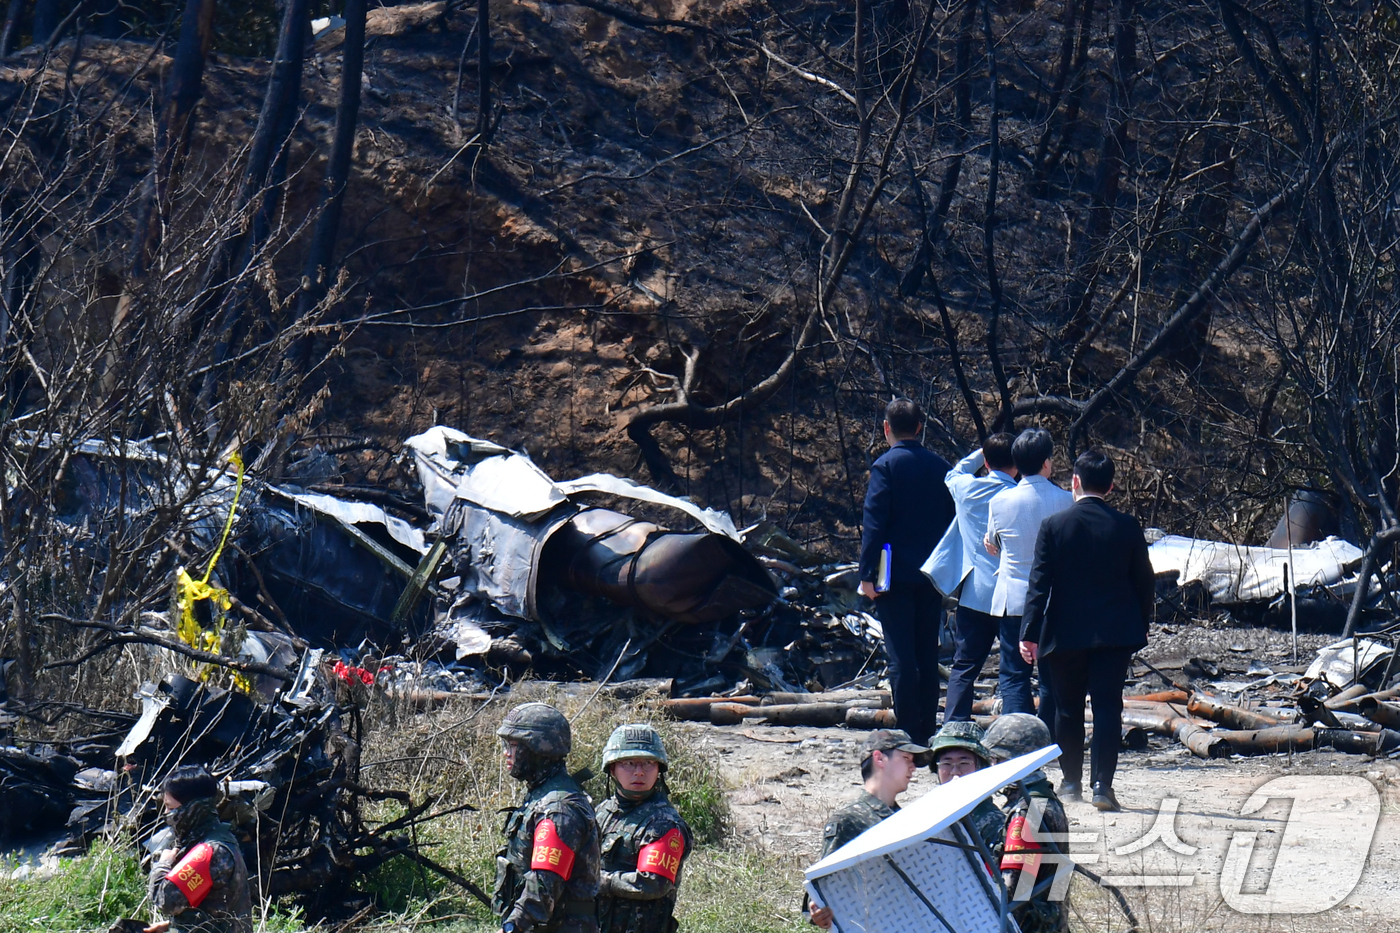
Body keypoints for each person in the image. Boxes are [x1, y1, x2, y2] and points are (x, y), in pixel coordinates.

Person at [1019, 449, 1155, 812]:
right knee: (1108, 708)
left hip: (1065, 633)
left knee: (1067, 709)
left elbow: (1039, 584)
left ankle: (1070, 782)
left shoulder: (1054, 526)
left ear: (1075, 482)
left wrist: (1028, 631)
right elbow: (1144, 582)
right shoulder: (1127, 526)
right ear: (1110, 486)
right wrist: (1141, 624)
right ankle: (1102, 786)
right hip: (1114, 633)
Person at [859, 398, 955, 744]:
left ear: (887, 428)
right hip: (932, 574)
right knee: (927, 653)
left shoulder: (885, 466)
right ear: (919, 428)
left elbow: (875, 524)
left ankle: (907, 729)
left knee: (901, 655)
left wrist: (866, 573)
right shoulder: (942, 468)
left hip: (893, 574)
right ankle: (928, 728)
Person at [984, 428, 1074, 735]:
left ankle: (1015, 739)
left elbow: (993, 542)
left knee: (1013, 676)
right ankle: (1046, 740)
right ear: (1047, 462)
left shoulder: (1000, 502)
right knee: (1051, 679)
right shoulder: (1067, 500)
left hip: (1013, 600)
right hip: (1053, 600)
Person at [928, 433, 1022, 722]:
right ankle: (1017, 731)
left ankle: (953, 726)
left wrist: (982, 452)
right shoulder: (1020, 496)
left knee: (964, 667)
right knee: (1014, 673)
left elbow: (954, 473)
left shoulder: (968, 490)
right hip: (1012, 597)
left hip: (975, 593)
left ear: (986, 462)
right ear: (1017, 464)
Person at [495, 703, 601, 933]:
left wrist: (512, 927)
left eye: (514, 745)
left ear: (537, 749)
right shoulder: (541, 794)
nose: (507, 753)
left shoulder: (558, 809)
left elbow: (544, 882)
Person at [808, 730, 930, 929]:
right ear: (879, 758)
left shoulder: (906, 821)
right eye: (906, 758)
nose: (913, 767)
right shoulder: (850, 819)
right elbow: (821, 886)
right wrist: (817, 911)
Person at [595, 724, 693, 933]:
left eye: (648, 763)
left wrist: (600, 880)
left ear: (659, 770)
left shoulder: (664, 824)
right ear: (612, 768)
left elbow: (652, 883)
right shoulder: (602, 812)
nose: (639, 772)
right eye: (629, 763)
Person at [983, 714, 1069, 933]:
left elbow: (1011, 893)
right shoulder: (1046, 799)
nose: (991, 765)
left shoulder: (1027, 814)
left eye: (995, 758)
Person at [146, 765, 252, 933]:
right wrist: (170, 926)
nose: (166, 813)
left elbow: (165, 901)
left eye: (171, 808)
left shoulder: (209, 851)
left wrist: (162, 864)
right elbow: (212, 908)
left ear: (193, 808)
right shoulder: (219, 837)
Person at [927, 721, 1003, 853]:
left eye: (964, 763)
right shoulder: (929, 814)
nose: (955, 771)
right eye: (947, 763)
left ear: (980, 767)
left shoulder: (992, 822)